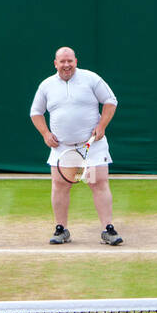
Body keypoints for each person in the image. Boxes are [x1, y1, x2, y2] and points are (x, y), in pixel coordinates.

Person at [29, 46, 123, 246]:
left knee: (98, 184)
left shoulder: (91, 79)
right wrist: (45, 134)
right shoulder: (46, 85)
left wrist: (102, 126)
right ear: (55, 63)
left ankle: (108, 229)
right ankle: (61, 229)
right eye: (62, 61)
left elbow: (110, 101)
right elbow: (35, 112)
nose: (66, 65)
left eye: (69, 61)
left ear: (75, 61)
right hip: (62, 149)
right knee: (61, 186)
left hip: (92, 147)